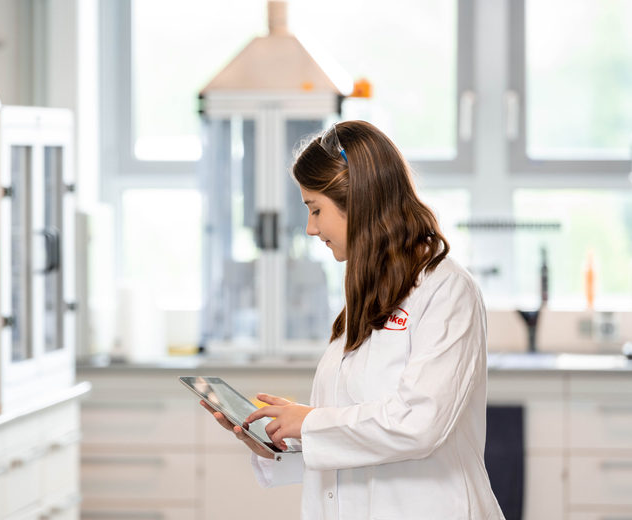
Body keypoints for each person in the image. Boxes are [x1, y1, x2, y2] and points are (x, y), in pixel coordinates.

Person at [201, 120, 505, 519]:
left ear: (358, 201)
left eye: (315, 209)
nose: (310, 228)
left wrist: (309, 423)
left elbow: (419, 422)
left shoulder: (446, 289)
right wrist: (281, 437)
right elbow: (352, 432)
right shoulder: (365, 292)